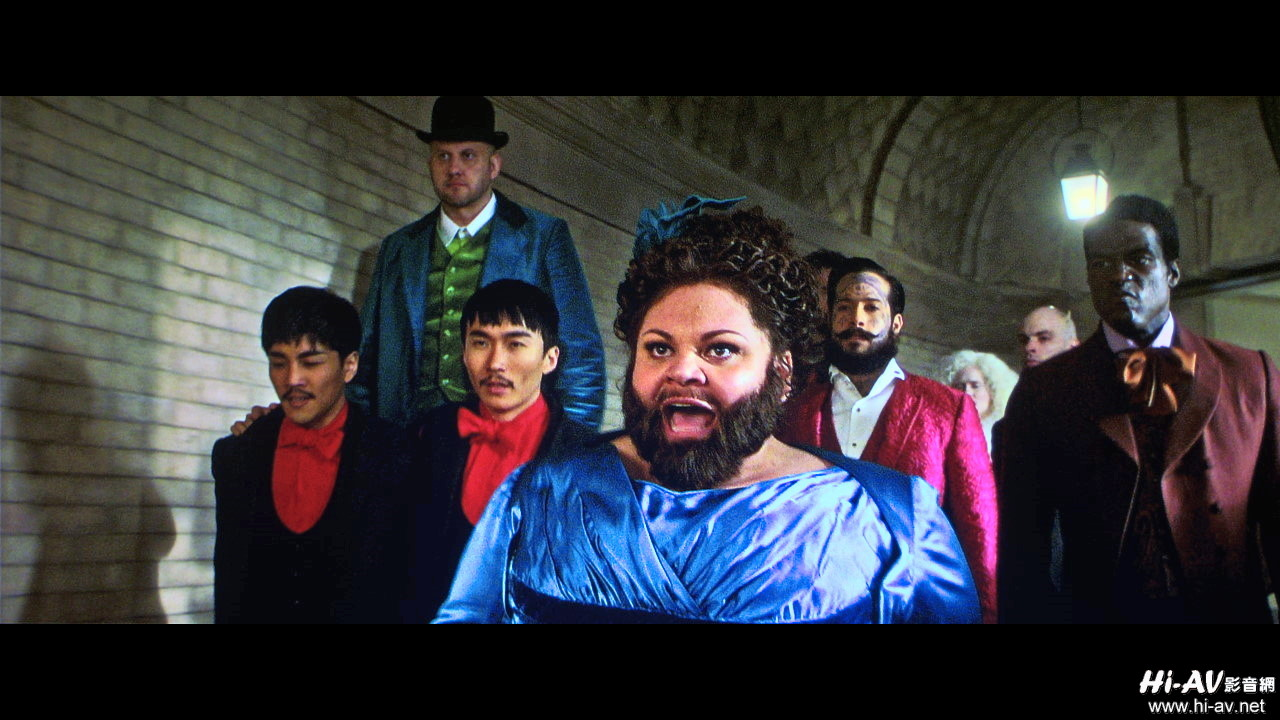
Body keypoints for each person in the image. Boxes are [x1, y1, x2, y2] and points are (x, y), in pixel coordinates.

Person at [435, 204, 979, 624]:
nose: (683, 371)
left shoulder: (893, 521)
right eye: (658, 348)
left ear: (781, 371)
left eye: (720, 349)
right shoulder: (536, 497)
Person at [999, 194, 1280, 623]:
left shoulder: (1250, 375)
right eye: (1102, 264)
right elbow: (1022, 547)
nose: (1119, 276)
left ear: (1172, 272)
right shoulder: (1043, 392)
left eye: (1139, 259)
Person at [349, 95, 606, 428]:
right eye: (443, 155)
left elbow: (581, 359)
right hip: (406, 440)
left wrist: (568, 446)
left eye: (468, 155)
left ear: (493, 165)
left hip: (506, 440)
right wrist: (364, 439)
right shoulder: (398, 248)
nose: (454, 168)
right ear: (430, 163)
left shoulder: (543, 238)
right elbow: (365, 359)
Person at [777, 256, 998, 623]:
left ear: (896, 323)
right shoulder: (795, 409)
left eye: (871, 307)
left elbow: (979, 526)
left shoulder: (948, 409)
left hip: (916, 610)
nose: (856, 319)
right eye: (843, 308)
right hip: (809, 607)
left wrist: (987, 614)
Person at [212, 287, 408, 623]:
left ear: (349, 366)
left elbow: (401, 589)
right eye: (278, 363)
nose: (292, 379)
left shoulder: (395, 455)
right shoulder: (236, 455)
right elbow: (229, 588)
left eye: (311, 362)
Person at [404, 279, 594, 620]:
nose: (495, 363)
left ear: (550, 358)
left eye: (515, 344)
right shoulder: (430, 432)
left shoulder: (584, 456)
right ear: (464, 353)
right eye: (480, 342)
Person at [940, 350, 1019, 453]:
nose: (967, 392)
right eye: (960, 386)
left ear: (993, 390)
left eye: (975, 386)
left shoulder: (1009, 436)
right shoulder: (941, 432)